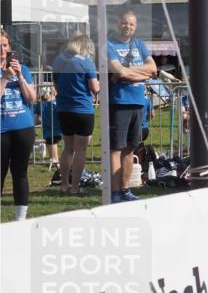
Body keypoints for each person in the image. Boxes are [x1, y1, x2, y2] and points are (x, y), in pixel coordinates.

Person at [106, 11, 157, 202]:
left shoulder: (140, 44)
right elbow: (117, 71)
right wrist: (138, 73)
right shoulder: (109, 45)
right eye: (125, 23)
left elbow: (152, 69)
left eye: (132, 24)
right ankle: (114, 192)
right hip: (119, 102)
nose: (128, 27)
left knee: (130, 148)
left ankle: (125, 189)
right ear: (118, 24)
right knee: (116, 149)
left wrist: (128, 72)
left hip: (138, 102)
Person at [53, 33, 99, 195]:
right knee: (81, 150)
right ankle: (75, 187)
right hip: (82, 109)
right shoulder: (87, 62)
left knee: (67, 148)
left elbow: (55, 84)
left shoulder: (59, 60)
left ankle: (64, 184)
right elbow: (95, 87)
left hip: (64, 109)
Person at [1, 29, 37, 220]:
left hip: (23, 128)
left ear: (10, 48)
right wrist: (5, 77)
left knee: (20, 173)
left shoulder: (22, 69)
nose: (1, 49)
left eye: (4, 45)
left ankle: (20, 218)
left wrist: (20, 77)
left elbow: (32, 98)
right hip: (2, 129)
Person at [35, 87, 61, 167]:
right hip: (60, 129)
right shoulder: (57, 103)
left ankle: (57, 165)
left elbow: (35, 120)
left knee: (54, 158)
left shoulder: (39, 105)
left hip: (48, 132)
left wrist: (39, 120)